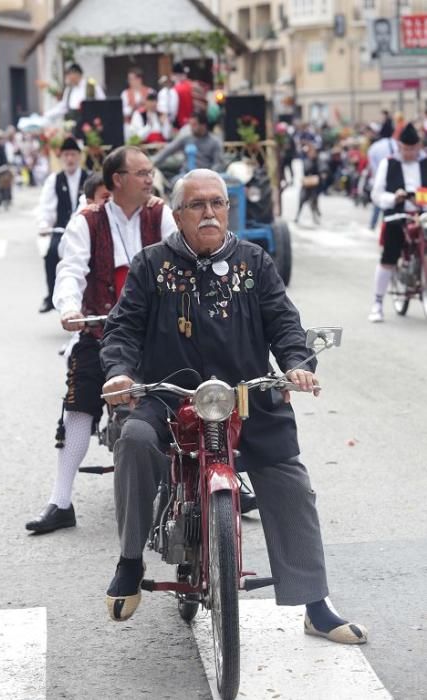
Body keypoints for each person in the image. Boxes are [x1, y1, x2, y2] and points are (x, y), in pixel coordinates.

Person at [99, 168, 368, 646]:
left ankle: (315, 603)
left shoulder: (255, 262)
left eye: (217, 204)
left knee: (288, 478)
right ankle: (129, 558)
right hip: (167, 397)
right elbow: (122, 330)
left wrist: (295, 365)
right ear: (178, 215)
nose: (209, 213)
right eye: (197, 205)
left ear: (228, 210)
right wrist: (120, 374)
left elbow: (285, 324)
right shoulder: (150, 265)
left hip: (246, 397)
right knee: (134, 441)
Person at [25, 146, 177, 534]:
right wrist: (69, 308)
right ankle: (61, 501)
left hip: (155, 331)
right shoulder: (86, 221)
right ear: (117, 180)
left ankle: (215, 478)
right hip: (100, 329)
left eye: (150, 172)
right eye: (141, 173)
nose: (150, 179)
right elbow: (71, 270)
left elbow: (181, 259)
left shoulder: (161, 214)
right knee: (78, 405)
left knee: (196, 391)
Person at [368, 122, 427, 322]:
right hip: (398, 216)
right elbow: (376, 194)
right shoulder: (389, 162)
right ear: (399, 146)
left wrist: (419, 198)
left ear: (419, 146)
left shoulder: (425, 162)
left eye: (413, 149)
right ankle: (377, 303)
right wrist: (395, 198)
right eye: (406, 149)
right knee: (388, 258)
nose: (410, 153)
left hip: (423, 215)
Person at [37, 136, 88, 313]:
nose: (69, 159)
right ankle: (51, 296)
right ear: (61, 158)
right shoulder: (54, 180)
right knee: (51, 254)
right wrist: (44, 224)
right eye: (66, 155)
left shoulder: (89, 178)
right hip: (62, 230)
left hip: (85, 229)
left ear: (79, 156)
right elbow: (46, 206)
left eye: (73, 154)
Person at [152, 111, 224, 173]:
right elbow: (168, 150)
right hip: (185, 175)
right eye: (190, 124)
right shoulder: (186, 139)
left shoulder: (214, 142)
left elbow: (218, 164)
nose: (191, 127)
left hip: (205, 177)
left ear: (203, 125)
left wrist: (208, 176)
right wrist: (152, 163)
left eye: (194, 125)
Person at [367, 119, 398, 230]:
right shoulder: (396, 145)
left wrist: (377, 177)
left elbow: (372, 166)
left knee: (378, 201)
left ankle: (373, 225)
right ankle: (386, 226)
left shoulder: (374, 147)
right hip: (395, 180)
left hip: (378, 178)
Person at [294, 141, 322, 225]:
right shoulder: (306, 160)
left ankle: (315, 217)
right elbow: (305, 169)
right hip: (306, 184)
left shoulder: (317, 160)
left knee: (313, 202)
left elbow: (321, 169)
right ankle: (297, 216)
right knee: (301, 201)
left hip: (314, 185)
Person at [172, 62, 193, 128]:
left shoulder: (175, 90)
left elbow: (173, 110)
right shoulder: (192, 85)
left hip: (181, 124)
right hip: (194, 122)